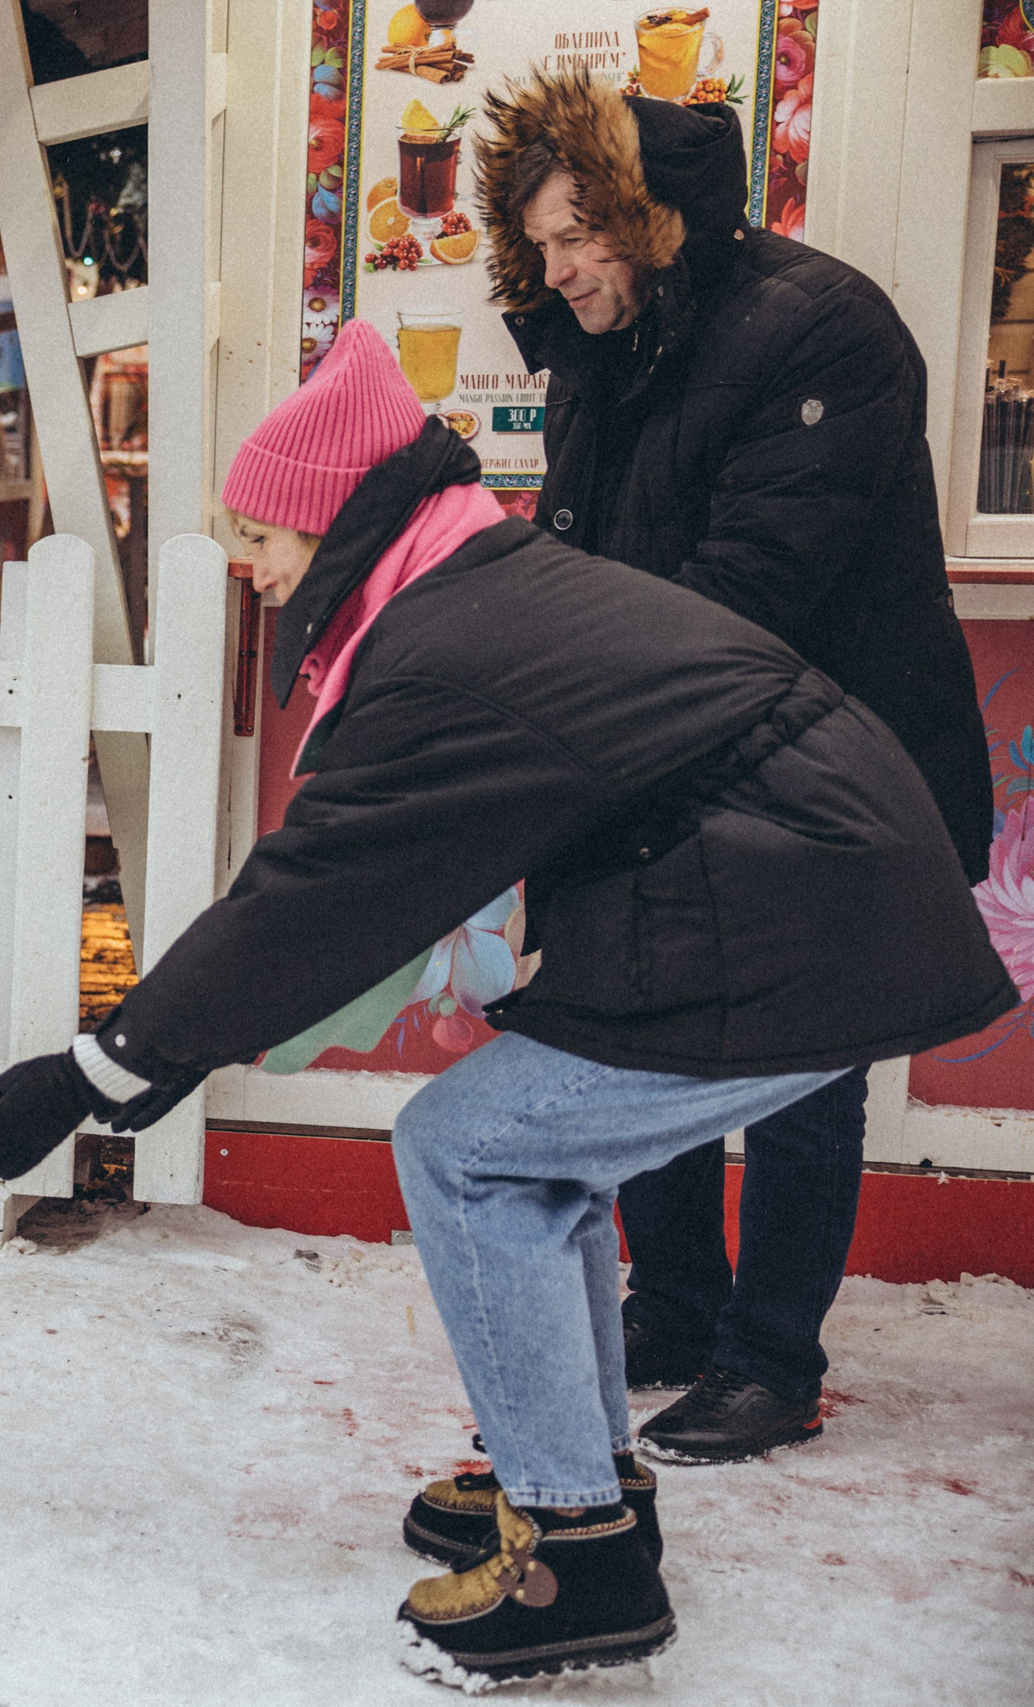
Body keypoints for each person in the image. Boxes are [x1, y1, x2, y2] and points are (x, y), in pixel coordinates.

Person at [0, 322, 1012, 1685]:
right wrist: (161, 1051)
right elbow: (357, 901)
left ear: (330, 525)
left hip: (802, 918)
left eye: (260, 535)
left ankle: (580, 1550)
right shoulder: (475, 589)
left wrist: (96, 1064)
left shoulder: (448, 638)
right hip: (796, 899)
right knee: (524, 1157)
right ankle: (573, 1475)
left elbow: (318, 885)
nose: (252, 569)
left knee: (469, 1144)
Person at [478, 71, 993, 1462]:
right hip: (671, 746)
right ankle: (684, 1301)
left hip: (827, 759)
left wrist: (598, 706)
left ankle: (773, 1354)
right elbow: (584, 549)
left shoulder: (820, 328)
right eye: (539, 243)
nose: (558, 268)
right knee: (657, 1020)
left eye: (579, 236)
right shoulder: (607, 344)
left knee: (797, 1062)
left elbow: (751, 583)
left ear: (655, 220)